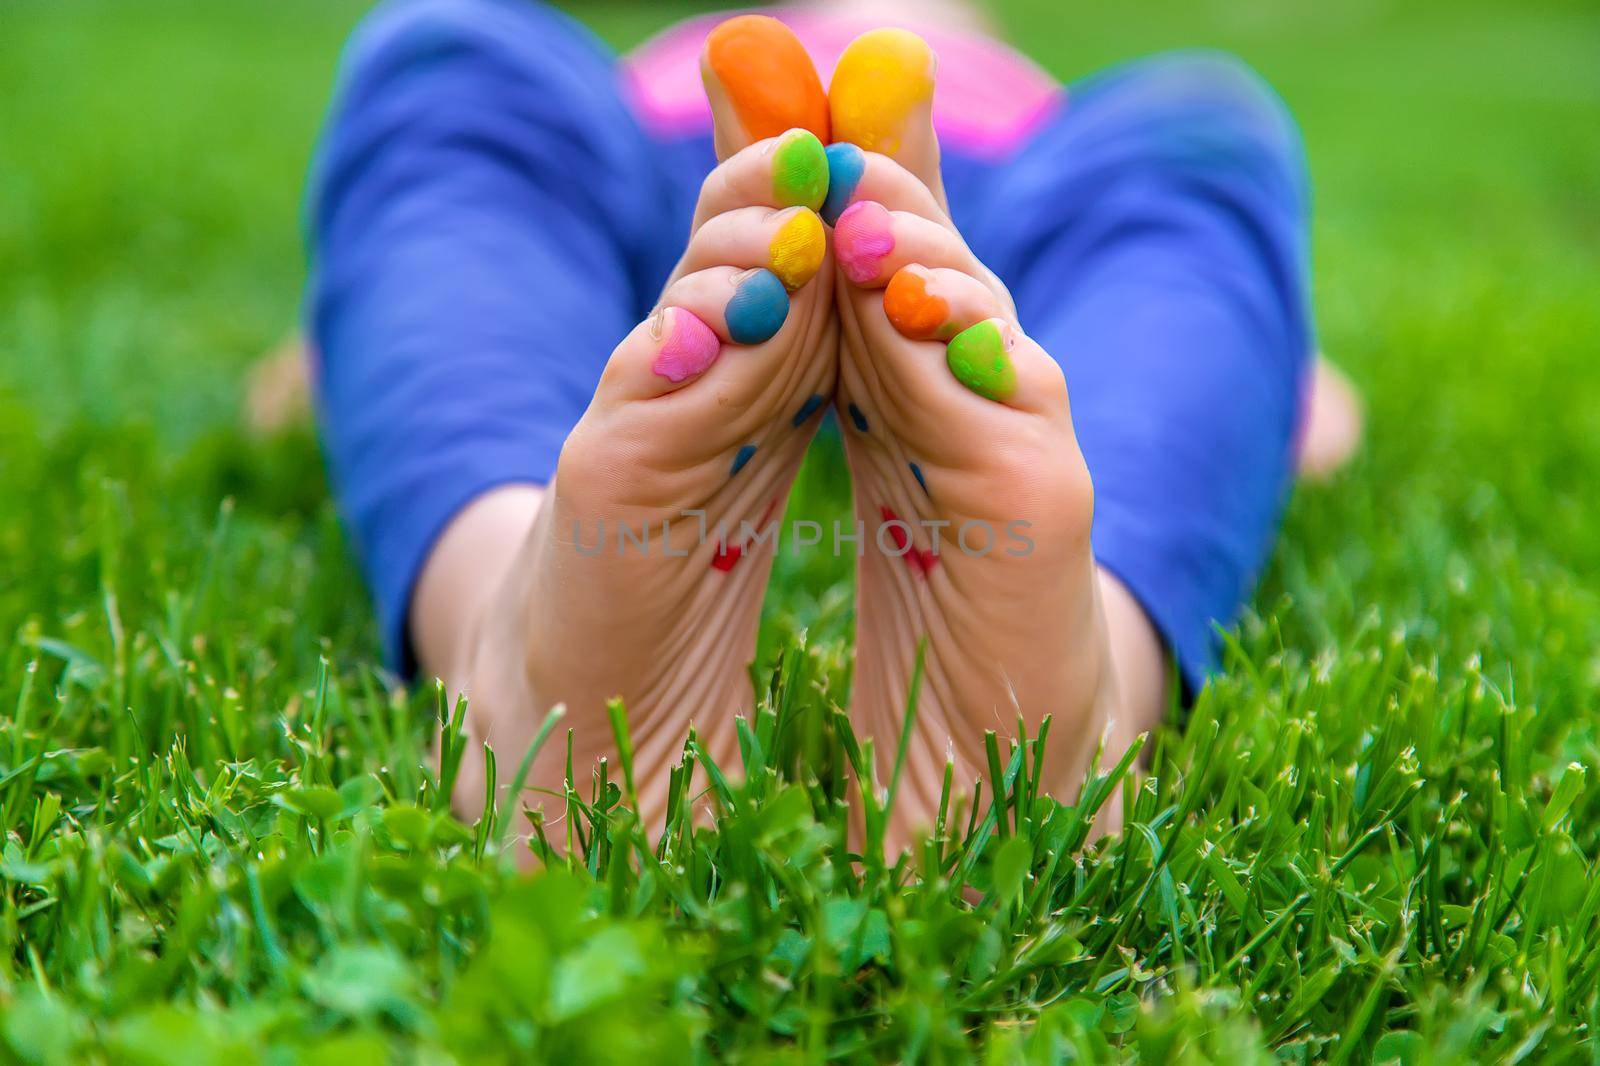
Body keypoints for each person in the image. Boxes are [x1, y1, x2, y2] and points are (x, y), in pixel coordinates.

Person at [304, 0, 1357, 839]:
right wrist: (1257, 393)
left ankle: (503, 625)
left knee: (456, 83)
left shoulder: (1052, 134)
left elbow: (419, 288)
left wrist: (370, 344)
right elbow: (1237, 363)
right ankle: (1088, 699)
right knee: (1193, 149)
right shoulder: (1057, 121)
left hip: (954, 227)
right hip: (732, 212)